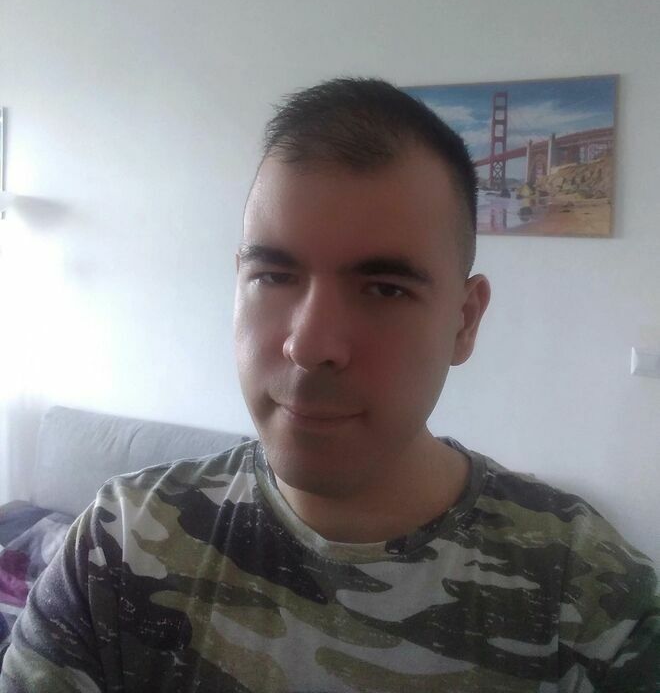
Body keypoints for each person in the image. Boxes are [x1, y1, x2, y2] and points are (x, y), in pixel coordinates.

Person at [0, 78, 658, 692]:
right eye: (273, 276)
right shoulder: (116, 546)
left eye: (384, 289)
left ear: (464, 322)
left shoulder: (592, 601)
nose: (309, 345)